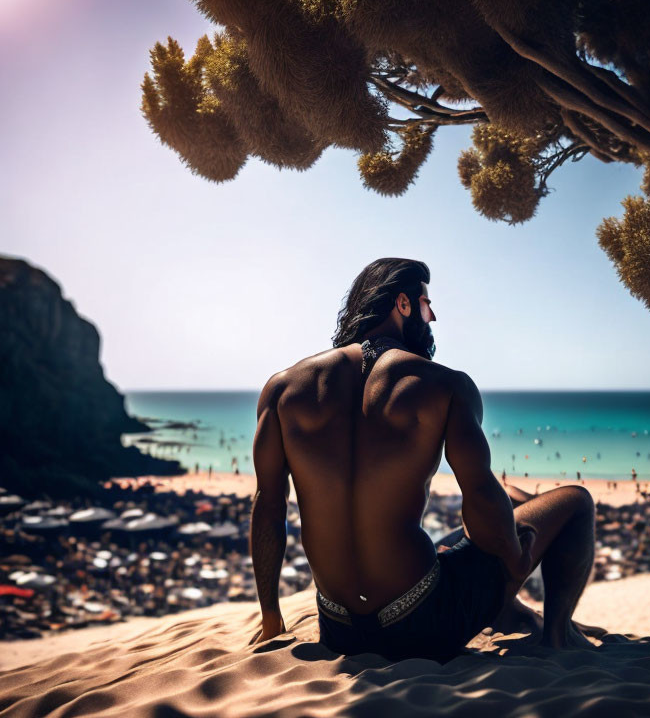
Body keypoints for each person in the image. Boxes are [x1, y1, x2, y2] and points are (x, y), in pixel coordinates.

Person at [248, 258, 596, 660]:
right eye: (427, 303)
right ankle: (556, 635)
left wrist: (271, 614)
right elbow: (479, 496)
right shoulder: (443, 385)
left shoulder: (282, 389)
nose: (433, 316)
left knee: (514, 498)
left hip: (338, 628)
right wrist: (517, 561)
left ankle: (513, 613)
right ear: (403, 304)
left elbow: (269, 507)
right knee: (574, 502)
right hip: (423, 623)